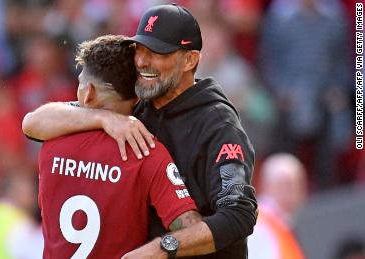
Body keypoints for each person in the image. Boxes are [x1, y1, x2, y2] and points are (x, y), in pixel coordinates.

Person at [23, 4, 257, 258]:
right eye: (140, 50)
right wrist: (103, 117)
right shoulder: (134, 105)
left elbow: (239, 214)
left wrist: (162, 248)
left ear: (190, 60)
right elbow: (33, 123)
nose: (143, 61)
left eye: (157, 52)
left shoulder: (218, 124)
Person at [36, 34, 200, 258]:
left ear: (89, 93)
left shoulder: (52, 140)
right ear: (137, 98)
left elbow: (33, 121)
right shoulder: (147, 152)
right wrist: (158, 249)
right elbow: (192, 229)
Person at [248, 153, 307, 259]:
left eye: (297, 185)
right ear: (265, 186)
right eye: (286, 185)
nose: (291, 192)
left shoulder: (280, 225)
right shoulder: (258, 226)